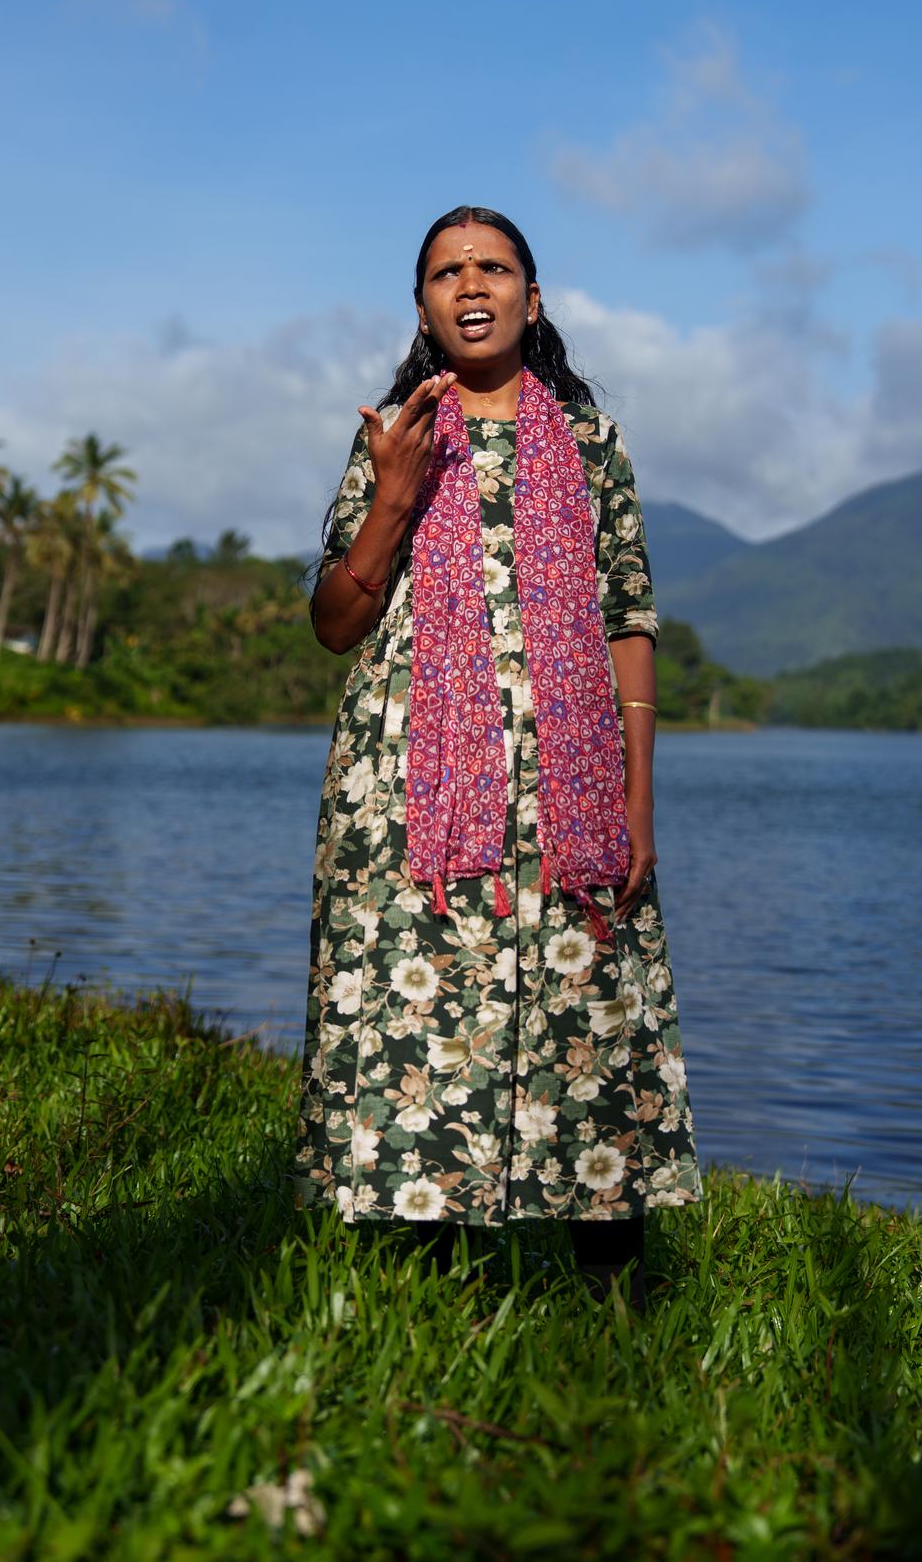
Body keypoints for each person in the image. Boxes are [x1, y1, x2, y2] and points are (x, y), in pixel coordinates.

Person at [292, 206, 700, 1309]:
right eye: (444, 272)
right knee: (423, 1018)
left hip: (572, 786)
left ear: (532, 292)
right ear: (421, 306)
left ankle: (612, 1299)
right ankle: (433, 1296)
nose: (470, 284)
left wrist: (639, 798)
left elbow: (629, 617)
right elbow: (334, 621)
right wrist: (391, 494)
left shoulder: (593, 442)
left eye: (493, 265)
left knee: (589, 1014)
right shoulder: (397, 433)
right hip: (411, 784)